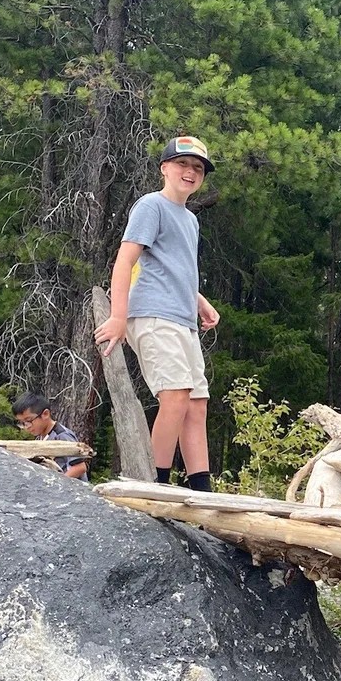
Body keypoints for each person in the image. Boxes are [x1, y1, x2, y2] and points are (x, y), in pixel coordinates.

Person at [93, 135, 221, 492]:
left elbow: (174, 267)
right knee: (176, 396)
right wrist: (118, 317)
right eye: (182, 164)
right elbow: (125, 261)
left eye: (198, 168)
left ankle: (202, 494)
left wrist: (199, 301)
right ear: (165, 168)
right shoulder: (152, 205)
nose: (190, 172)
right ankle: (155, 485)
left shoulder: (190, 220)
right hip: (152, 313)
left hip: (182, 320)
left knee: (196, 405)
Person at [11, 392, 89, 479]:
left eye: (29, 420)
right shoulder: (40, 437)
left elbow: (80, 467)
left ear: (45, 414)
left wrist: (57, 483)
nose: (27, 427)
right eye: (22, 423)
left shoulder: (62, 436)